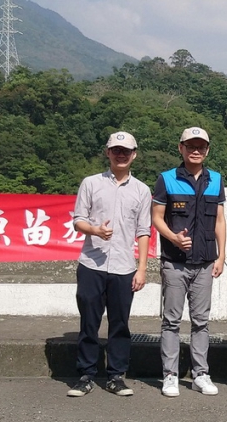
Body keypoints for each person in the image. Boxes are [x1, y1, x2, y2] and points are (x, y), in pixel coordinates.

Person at [68, 131, 152, 397]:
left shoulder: (142, 190)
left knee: (120, 323)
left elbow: (143, 231)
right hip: (92, 263)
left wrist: (141, 268)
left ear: (134, 154)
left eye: (126, 150)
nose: (121, 154)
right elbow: (77, 220)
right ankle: (85, 374)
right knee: (89, 321)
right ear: (107, 152)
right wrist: (94, 230)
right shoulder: (91, 183)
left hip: (124, 267)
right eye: (116, 149)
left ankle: (116, 375)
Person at [152, 127, 226, 397]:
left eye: (201, 146)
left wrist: (221, 256)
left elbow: (219, 220)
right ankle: (170, 375)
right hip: (175, 263)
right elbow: (157, 217)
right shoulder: (167, 179)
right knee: (171, 320)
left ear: (207, 150)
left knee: (201, 321)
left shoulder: (215, 180)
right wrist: (173, 238)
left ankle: (201, 374)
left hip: (205, 262)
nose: (196, 150)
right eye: (190, 145)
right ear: (180, 148)